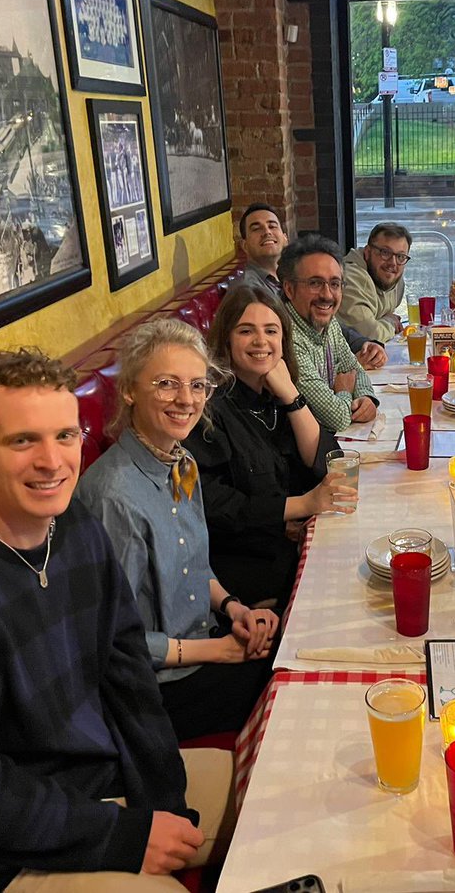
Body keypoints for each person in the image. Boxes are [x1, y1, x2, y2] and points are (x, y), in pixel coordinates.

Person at [0, 349, 232, 892]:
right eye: (23, 441)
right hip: (9, 854)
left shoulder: (78, 531)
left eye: (66, 436)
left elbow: (128, 676)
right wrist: (125, 836)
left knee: (270, 797)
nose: (52, 460)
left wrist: (162, 799)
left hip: (106, 786)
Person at [77, 319, 280, 741]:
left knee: (288, 640)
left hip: (200, 644)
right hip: (153, 693)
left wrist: (233, 609)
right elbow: (116, 643)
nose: (186, 400)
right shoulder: (114, 497)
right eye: (167, 384)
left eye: (198, 385)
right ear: (130, 390)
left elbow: (193, 564)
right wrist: (219, 651)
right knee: (285, 679)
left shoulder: (181, 461)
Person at [188, 286, 357, 609]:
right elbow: (217, 506)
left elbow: (325, 461)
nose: (260, 341)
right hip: (246, 569)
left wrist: (292, 396)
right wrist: (302, 505)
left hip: (285, 545)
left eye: (271, 331)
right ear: (226, 340)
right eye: (245, 331)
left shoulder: (274, 397)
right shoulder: (209, 408)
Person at [234, 202, 386, 369]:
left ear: (285, 238)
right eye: (256, 228)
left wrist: (364, 344)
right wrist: (346, 369)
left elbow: (330, 325)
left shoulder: (295, 274)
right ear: (244, 246)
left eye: (272, 226)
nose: (267, 232)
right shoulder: (248, 290)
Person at [279, 234, 379, 433]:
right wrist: (343, 391)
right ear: (289, 289)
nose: (326, 295)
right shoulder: (285, 336)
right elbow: (337, 418)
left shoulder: (328, 323)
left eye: (335, 284)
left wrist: (366, 398)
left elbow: (354, 369)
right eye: (315, 283)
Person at [339, 221, 410, 341]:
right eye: (385, 253)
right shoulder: (350, 279)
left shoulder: (394, 279)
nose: (392, 263)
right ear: (367, 252)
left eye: (400, 256)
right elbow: (370, 335)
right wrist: (390, 322)